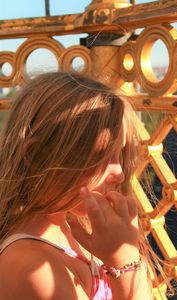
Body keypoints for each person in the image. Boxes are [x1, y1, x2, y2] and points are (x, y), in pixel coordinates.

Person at [0, 72, 153, 300]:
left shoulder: (70, 228)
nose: (120, 173)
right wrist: (124, 263)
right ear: (36, 155)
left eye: (119, 154)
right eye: (101, 157)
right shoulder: (30, 267)